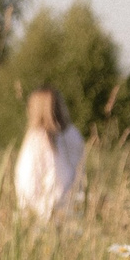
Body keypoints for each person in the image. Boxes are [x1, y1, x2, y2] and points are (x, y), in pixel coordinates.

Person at [14, 86, 85, 220]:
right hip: (73, 214)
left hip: (43, 217)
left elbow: (27, 181)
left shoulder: (37, 139)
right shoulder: (73, 134)